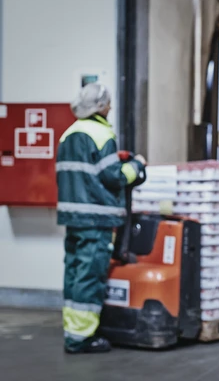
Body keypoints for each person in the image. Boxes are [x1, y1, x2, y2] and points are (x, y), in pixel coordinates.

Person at [56, 83, 146, 354]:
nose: (110, 108)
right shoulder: (101, 134)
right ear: (100, 107)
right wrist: (136, 165)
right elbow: (114, 177)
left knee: (74, 274)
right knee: (90, 276)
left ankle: (73, 329)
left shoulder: (69, 133)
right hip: (96, 220)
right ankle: (81, 338)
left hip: (74, 217)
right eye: (108, 104)